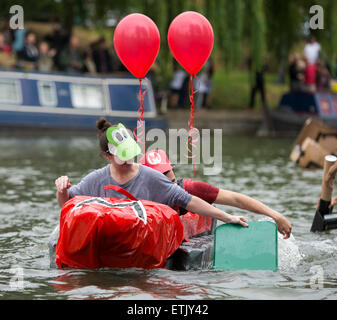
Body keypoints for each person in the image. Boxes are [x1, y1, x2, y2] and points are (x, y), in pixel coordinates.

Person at [55, 118, 248, 228]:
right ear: (107, 156)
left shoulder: (150, 176)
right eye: (123, 157)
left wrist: (228, 217)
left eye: (131, 154)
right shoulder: (94, 180)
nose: (129, 161)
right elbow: (67, 206)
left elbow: (188, 200)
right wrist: (62, 190)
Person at [140, 149, 292, 239]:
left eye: (170, 176)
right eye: (161, 176)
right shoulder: (134, 194)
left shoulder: (189, 189)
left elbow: (236, 199)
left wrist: (275, 216)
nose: (168, 183)